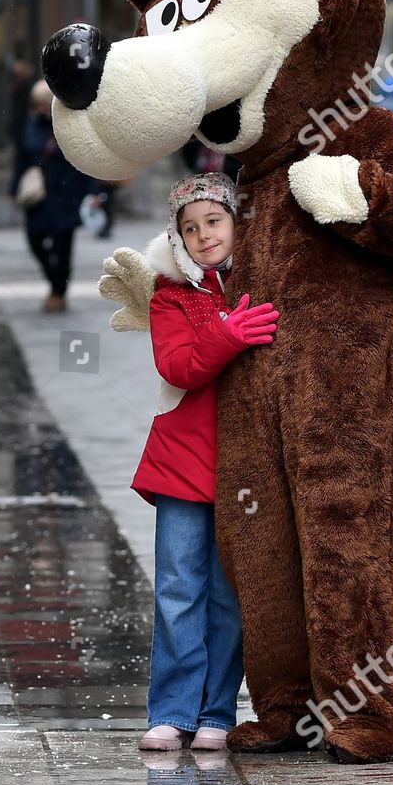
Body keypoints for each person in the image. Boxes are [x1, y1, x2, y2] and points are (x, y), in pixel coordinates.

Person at [130, 174, 274, 752]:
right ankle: (172, 710)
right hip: (184, 464)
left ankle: (216, 712)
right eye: (190, 228)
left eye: (214, 221)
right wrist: (227, 333)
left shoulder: (264, 282)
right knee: (177, 589)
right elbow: (179, 366)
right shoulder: (171, 295)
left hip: (246, 468)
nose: (204, 235)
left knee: (229, 596)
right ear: (178, 238)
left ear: (236, 222)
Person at [13, 81, 94, 312]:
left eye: (44, 104)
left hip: (65, 194)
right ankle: (55, 281)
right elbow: (23, 158)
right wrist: (14, 186)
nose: (40, 108)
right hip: (39, 196)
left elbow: (84, 158)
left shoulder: (71, 124)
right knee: (35, 241)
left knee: (62, 247)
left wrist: (90, 192)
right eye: (37, 104)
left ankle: (59, 291)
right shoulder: (30, 125)